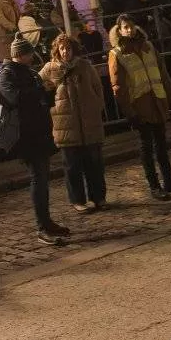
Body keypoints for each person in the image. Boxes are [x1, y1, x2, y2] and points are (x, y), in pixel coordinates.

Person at [0, 33, 70, 245]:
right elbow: (13, 97)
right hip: (26, 134)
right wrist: (39, 91)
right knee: (38, 177)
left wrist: (49, 91)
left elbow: (38, 97)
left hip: (38, 131)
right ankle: (42, 225)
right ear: (22, 54)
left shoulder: (27, 72)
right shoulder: (8, 73)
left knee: (43, 177)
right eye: (29, 53)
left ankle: (46, 221)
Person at [108, 17, 171, 199]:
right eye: (125, 28)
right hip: (139, 104)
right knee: (146, 147)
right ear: (119, 31)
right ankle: (154, 185)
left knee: (161, 144)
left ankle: (169, 180)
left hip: (157, 100)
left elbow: (163, 73)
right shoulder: (117, 53)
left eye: (131, 26)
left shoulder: (149, 47)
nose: (129, 30)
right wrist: (129, 113)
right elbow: (118, 87)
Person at [41, 33, 107, 213]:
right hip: (66, 125)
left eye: (68, 48)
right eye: (62, 48)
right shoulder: (50, 69)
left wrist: (97, 106)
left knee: (94, 163)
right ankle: (78, 200)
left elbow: (97, 87)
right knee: (72, 167)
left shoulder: (84, 66)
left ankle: (98, 197)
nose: (65, 52)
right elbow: (40, 89)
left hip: (89, 122)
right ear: (57, 50)